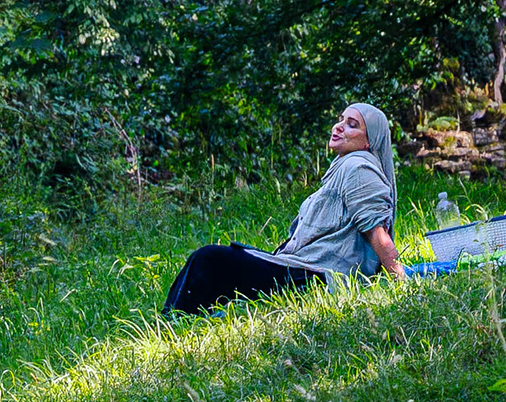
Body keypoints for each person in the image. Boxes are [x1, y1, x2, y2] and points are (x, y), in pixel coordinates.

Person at [165, 103, 407, 313]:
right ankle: (184, 318)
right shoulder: (344, 166)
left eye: (352, 124)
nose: (339, 127)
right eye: (341, 119)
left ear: (368, 142)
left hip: (319, 278)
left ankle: (175, 320)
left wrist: (401, 284)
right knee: (221, 263)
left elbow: (377, 233)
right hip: (301, 267)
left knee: (210, 258)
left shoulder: (359, 168)